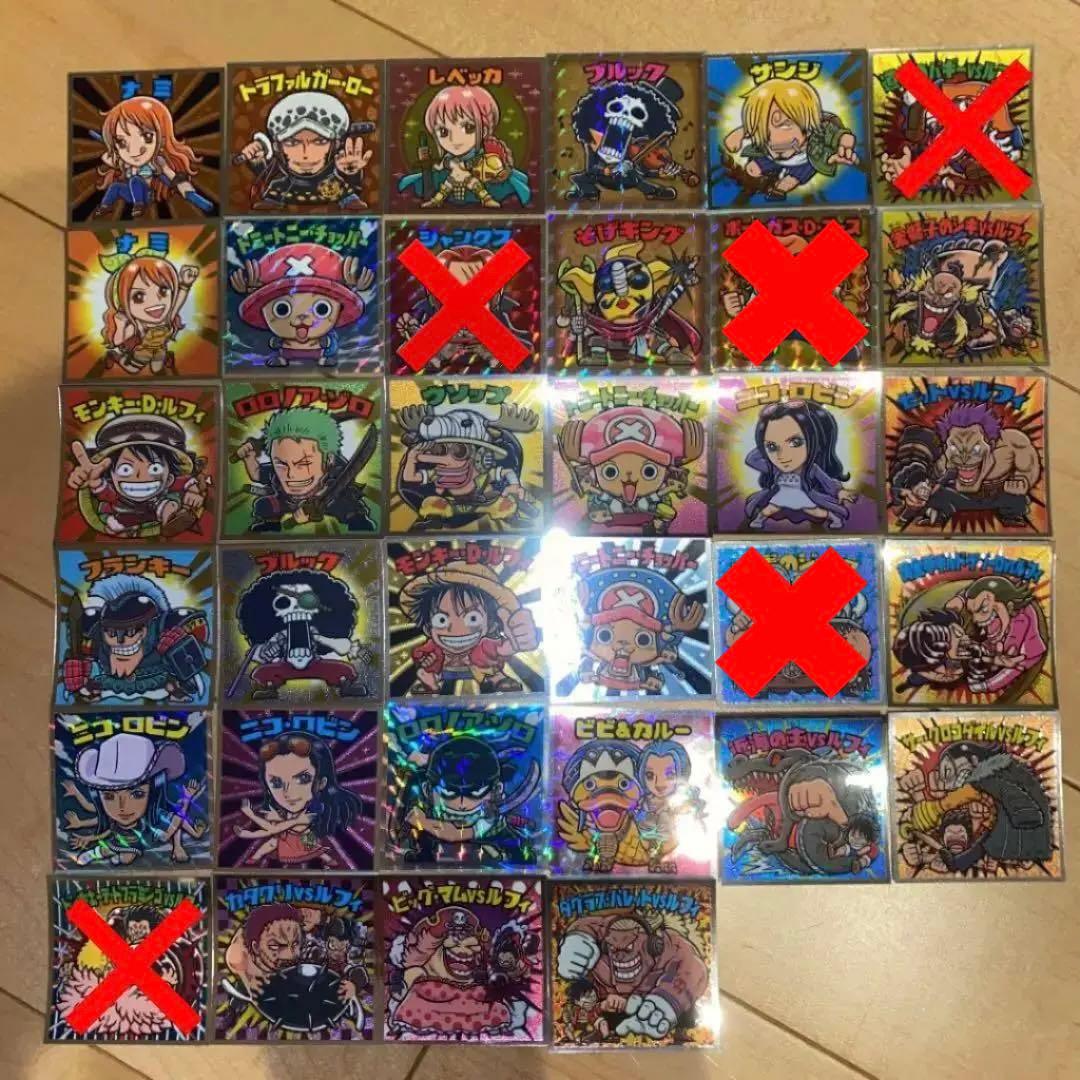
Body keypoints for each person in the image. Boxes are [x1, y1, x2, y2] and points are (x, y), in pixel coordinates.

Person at [232, 732, 361, 868]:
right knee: (276, 842)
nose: (288, 791)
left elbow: (272, 829)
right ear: (267, 787)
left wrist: (250, 815)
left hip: (303, 839)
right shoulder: (284, 813)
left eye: (303, 779)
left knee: (311, 848)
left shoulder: (311, 812)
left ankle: (328, 860)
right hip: (291, 839)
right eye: (276, 783)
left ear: (321, 783)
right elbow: (272, 829)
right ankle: (255, 857)